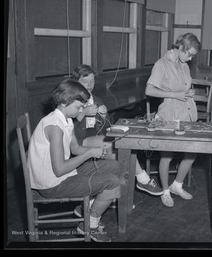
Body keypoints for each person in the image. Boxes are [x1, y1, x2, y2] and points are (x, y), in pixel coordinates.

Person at [27, 78, 118, 242]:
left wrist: (97, 151)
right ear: (63, 103)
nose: (81, 110)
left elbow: (75, 148)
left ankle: (88, 210)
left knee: (115, 166)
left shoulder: (65, 119)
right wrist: (90, 153)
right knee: (113, 182)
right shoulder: (54, 126)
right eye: (78, 107)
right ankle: (90, 224)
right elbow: (59, 169)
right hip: (52, 184)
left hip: (64, 175)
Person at [70, 64, 163, 198]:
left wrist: (103, 115)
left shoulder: (95, 100)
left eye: (92, 81)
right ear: (76, 82)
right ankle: (143, 180)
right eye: (85, 82)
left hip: (93, 140)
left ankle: (114, 200)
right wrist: (83, 113)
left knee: (125, 155)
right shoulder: (70, 100)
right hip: (77, 141)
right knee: (115, 143)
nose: (89, 85)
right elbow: (69, 128)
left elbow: (104, 127)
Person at [145, 32, 201, 207]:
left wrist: (189, 91)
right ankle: (165, 191)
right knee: (167, 154)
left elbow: (184, 86)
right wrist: (174, 95)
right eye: (189, 53)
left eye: (193, 55)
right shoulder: (162, 64)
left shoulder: (184, 65)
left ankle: (177, 184)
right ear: (180, 47)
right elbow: (149, 90)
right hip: (169, 114)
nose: (191, 58)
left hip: (186, 114)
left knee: (192, 153)